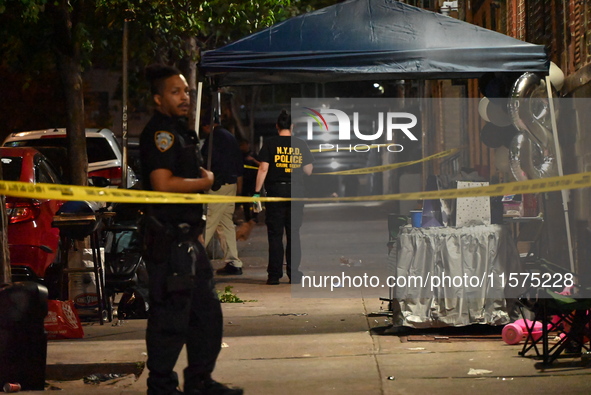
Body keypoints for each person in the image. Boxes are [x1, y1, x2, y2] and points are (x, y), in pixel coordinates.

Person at [139, 64, 242, 395]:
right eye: (175, 91)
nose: (184, 97)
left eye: (186, 91)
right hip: (168, 243)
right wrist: (205, 182)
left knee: (206, 318)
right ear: (158, 98)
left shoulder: (182, 132)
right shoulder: (161, 134)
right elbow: (162, 183)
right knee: (170, 321)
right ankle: (162, 387)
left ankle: (200, 381)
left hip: (188, 240)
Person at [255, 109, 314, 285]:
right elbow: (308, 171)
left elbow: (263, 169)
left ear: (277, 126)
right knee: (293, 234)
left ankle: (274, 275)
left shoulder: (270, 143)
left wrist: (257, 192)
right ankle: (293, 274)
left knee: (275, 235)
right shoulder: (300, 144)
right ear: (292, 126)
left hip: (275, 194)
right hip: (296, 193)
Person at [201, 118, 244, 275]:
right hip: (230, 184)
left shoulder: (213, 138)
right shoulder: (230, 136)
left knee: (209, 222)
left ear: (207, 125)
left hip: (217, 186)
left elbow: (207, 161)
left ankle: (193, 259)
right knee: (225, 224)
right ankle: (233, 262)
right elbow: (239, 163)